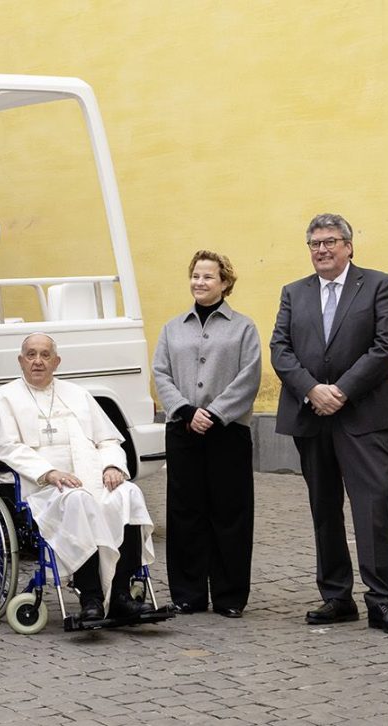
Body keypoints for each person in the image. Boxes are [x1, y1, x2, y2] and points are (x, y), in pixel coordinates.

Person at [270, 213, 388, 636]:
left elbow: (386, 345)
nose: (322, 250)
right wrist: (313, 390)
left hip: (363, 414)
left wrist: (342, 390)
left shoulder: (378, 284)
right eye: (314, 243)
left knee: (375, 504)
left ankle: (381, 600)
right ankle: (336, 596)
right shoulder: (294, 293)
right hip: (311, 414)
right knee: (324, 507)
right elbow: (281, 349)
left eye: (330, 242)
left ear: (349, 246)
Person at [0, 333, 156, 621]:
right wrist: (49, 472)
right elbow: (6, 446)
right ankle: (91, 597)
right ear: (21, 361)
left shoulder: (79, 395)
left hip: (90, 479)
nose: (38, 361)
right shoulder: (3, 398)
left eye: (45, 355)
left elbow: (108, 440)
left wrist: (111, 467)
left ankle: (120, 594)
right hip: (41, 489)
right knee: (78, 500)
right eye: (31, 355)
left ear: (56, 362)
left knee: (129, 494)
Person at [152, 250, 261, 618]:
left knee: (230, 514)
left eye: (208, 277)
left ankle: (230, 597)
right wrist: (184, 410)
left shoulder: (243, 328)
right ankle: (188, 594)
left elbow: (249, 377)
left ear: (225, 282)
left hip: (227, 432)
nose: (200, 282)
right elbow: (160, 373)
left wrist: (214, 413)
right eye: (195, 276)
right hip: (182, 430)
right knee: (185, 514)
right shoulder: (172, 327)